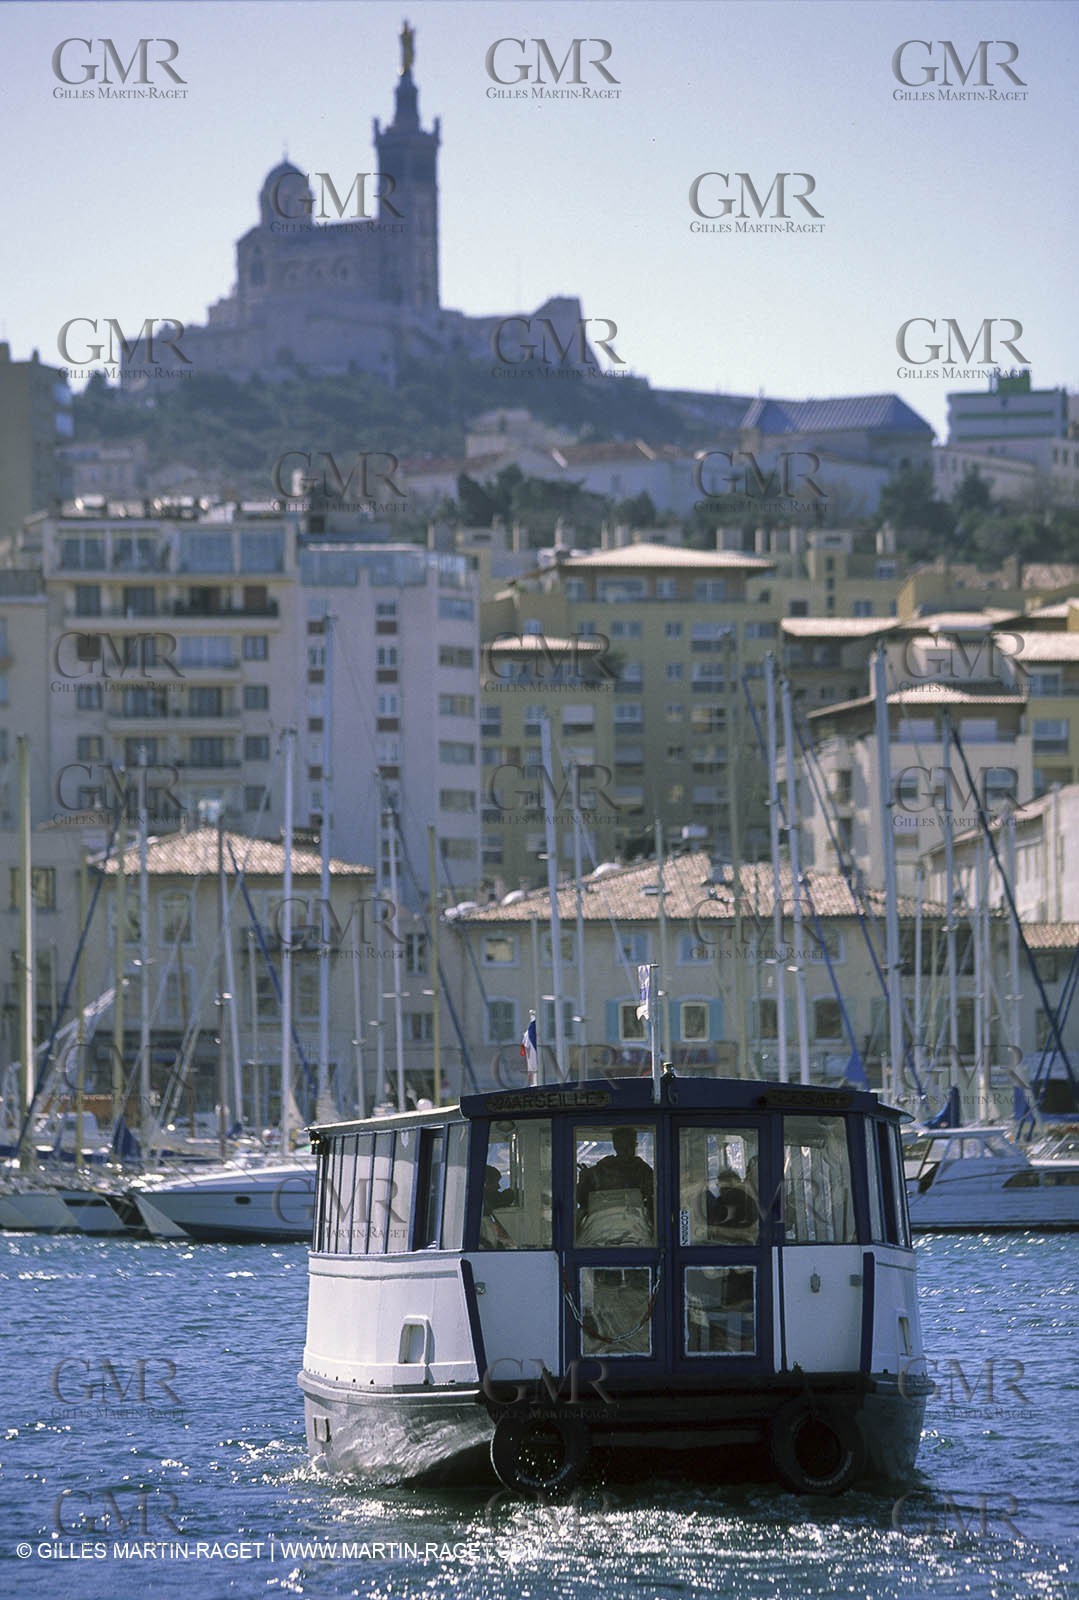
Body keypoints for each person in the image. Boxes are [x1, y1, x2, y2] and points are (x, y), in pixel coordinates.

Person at [577, 1127, 655, 1225]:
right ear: (615, 1146)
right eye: (621, 1146)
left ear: (635, 1145)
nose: (625, 1150)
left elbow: (651, 1198)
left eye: (629, 1145)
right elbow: (583, 1199)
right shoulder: (601, 1169)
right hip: (603, 1224)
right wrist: (584, 1180)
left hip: (634, 1224)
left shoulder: (643, 1170)